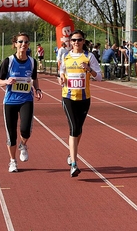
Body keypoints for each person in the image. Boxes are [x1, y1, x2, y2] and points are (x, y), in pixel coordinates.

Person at [0, 32, 43, 173]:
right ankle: (12, 161)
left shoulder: (32, 62)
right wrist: (6, 81)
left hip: (26, 100)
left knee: (25, 130)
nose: (24, 44)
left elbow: (34, 79)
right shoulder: (8, 61)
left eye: (26, 42)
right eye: (21, 42)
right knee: (11, 134)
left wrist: (38, 88)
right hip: (10, 101)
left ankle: (23, 145)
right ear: (15, 44)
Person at [57, 30, 102, 177]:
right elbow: (61, 71)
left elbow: (100, 77)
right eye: (74, 40)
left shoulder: (89, 57)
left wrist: (89, 70)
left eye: (79, 40)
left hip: (84, 98)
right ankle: (74, 164)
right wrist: (61, 78)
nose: (76, 42)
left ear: (83, 41)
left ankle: (71, 155)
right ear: (70, 42)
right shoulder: (66, 56)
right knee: (74, 128)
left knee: (79, 130)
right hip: (68, 97)